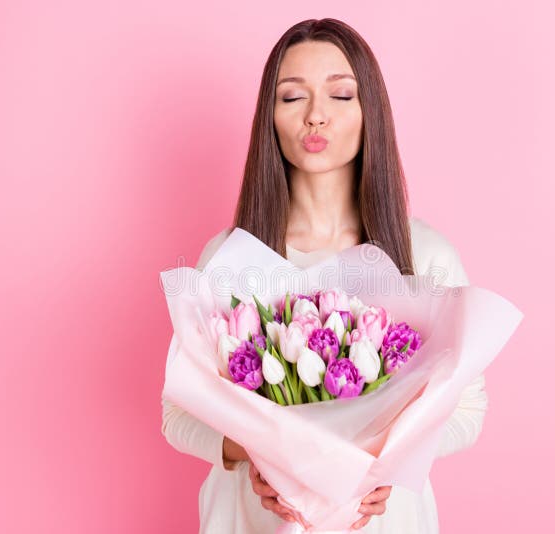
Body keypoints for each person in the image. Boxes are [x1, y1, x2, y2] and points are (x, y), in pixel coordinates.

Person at [161, 18, 488, 533]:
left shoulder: (424, 255)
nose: (316, 116)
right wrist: (249, 452)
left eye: (340, 95)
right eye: (292, 98)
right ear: (269, 118)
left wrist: (389, 462)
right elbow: (177, 417)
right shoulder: (230, 257)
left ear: (369, 111)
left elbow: (468, 411)